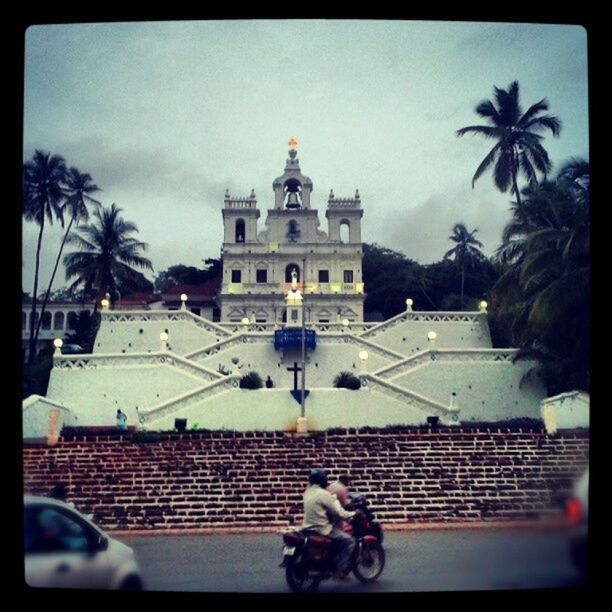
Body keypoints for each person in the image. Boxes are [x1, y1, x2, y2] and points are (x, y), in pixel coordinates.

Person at [302, 468, 356, 580]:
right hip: (322, 529)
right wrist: (353, 513)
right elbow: (338, 512)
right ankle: (340, 570)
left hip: (307, 527)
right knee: (350, 541)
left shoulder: (306, 492)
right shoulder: (324, 494)